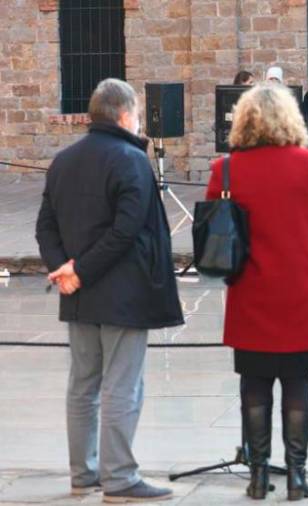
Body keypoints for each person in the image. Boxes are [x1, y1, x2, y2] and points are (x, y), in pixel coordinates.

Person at [35, 78, 184, 502]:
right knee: (122, 385)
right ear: (124, 115)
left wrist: (62, 269)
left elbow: (44, 225)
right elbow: (126, 230)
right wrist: (78, 270)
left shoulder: (63, 160)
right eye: (135, 113)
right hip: (122, 292)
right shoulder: (130, 160)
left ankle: (83, 473)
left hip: (78, 294)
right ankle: (119, 478)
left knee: (83, 385)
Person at [205, 84, 308, 501]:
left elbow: (211, 231)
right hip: (301, 291)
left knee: (254, 384)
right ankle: (297, 476)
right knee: (298, 384)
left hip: (250, 291)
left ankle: (259, 476)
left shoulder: (225, 170)